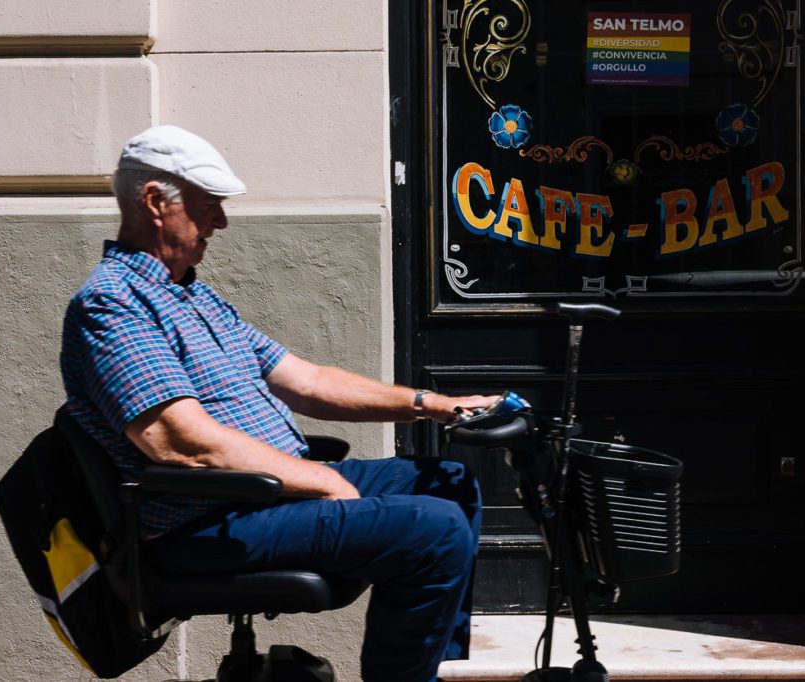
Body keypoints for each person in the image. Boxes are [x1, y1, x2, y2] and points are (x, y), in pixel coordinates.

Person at [60, 125, 498, 682]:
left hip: (266, 499)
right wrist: (317, 480)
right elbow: (179, 442)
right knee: (432, 529)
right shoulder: (113, 304)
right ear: (154, 203)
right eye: (207, 205)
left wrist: (431, 403)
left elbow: (308, 382)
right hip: (204, 524)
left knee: (451, 486)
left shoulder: (195, 296)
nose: (220, 222)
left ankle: (424, 668)